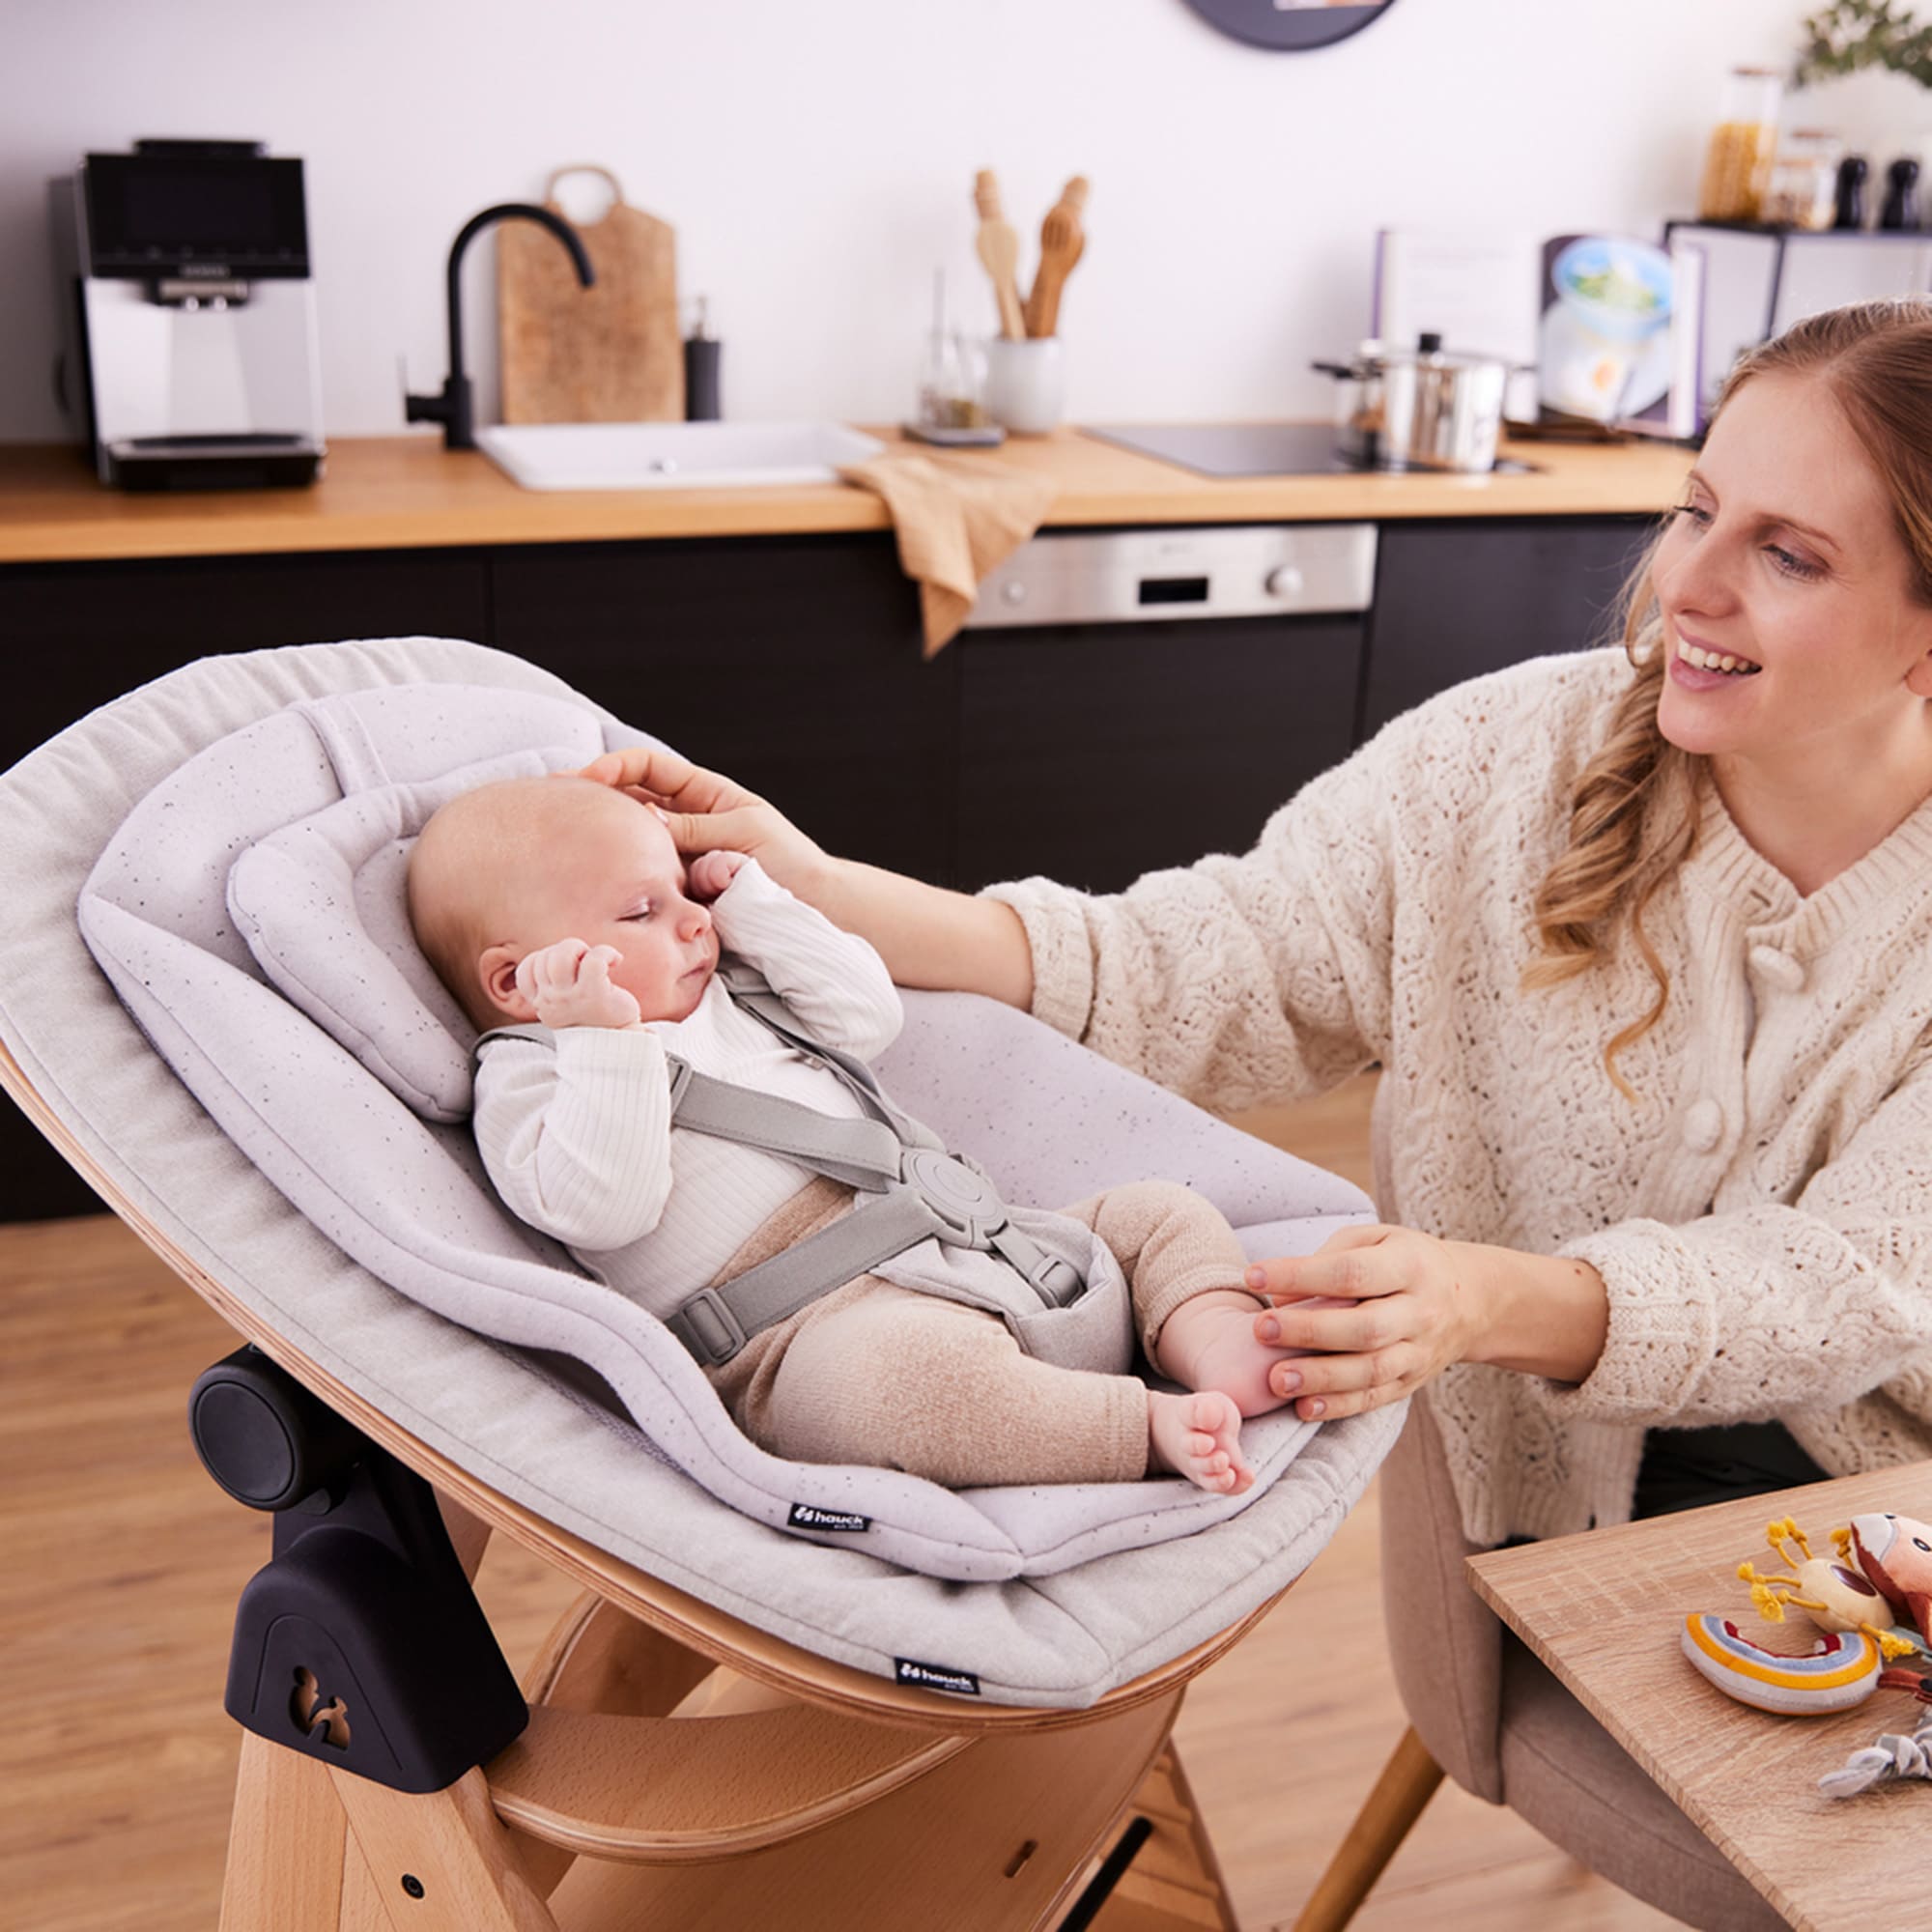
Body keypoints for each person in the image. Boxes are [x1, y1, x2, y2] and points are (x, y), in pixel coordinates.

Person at [576, 297, 1932, 1544]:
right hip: (1546, 1496)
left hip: (1877, 1493)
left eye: (1791, 557)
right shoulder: (1505, 760)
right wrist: (817, 891)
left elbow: (1845, 1283)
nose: (1690, 586)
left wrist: (1481, 1299)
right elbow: (1224, 966)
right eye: (1697, 510)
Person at [407, 773, 1308, 1496]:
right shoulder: (532, 1073)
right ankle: (1130, 1428)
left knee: (1159, 1212)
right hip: (806, 1341)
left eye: (681, 892)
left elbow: (867, 1017)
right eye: (640, 913)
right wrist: (603, 1044)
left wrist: (757, 906)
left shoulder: (731, 990)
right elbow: (603, 1208)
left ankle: (1211, 1337)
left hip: (977, 1243)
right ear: (519, 984)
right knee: (900, 1388)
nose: (690, 920)